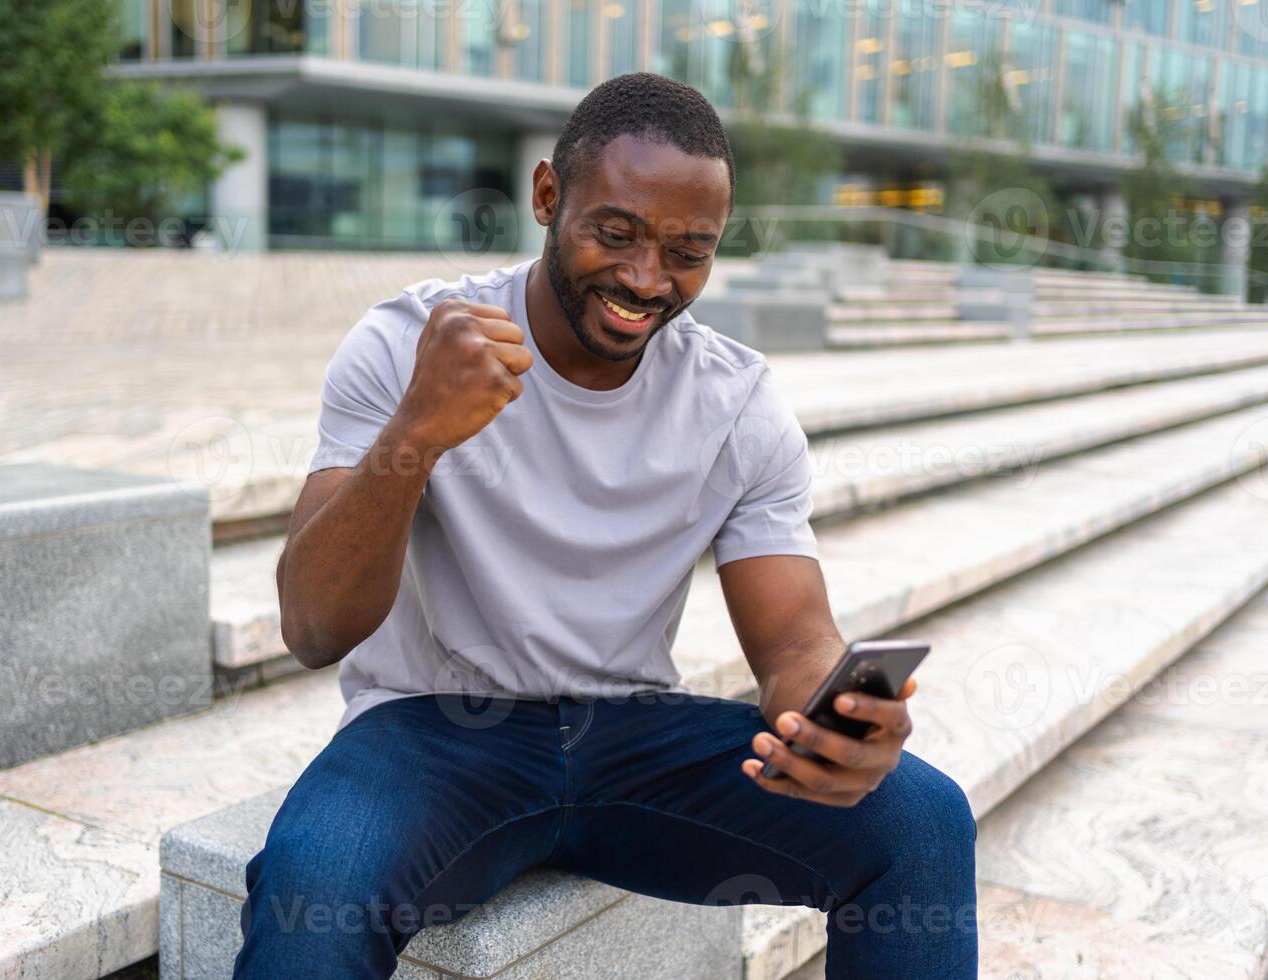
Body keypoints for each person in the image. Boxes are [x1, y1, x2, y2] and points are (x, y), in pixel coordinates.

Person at [236, 72, 976, 979]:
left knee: (920, 822)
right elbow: (314, 629)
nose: (644, 278)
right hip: (432, 736)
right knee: (317, 882)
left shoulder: (735, 402)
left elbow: (793, 641)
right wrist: (415, 434)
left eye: (688, 250)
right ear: (548, 195)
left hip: (633, 740)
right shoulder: (408, 346)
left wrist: (831, 724)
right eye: (615, 233)